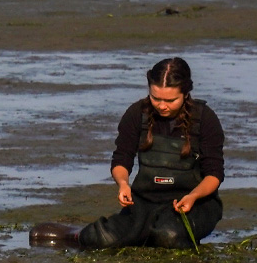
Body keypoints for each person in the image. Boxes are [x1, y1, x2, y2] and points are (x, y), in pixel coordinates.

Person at [32, 57, 224, 250]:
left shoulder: (205, 118)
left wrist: (193, 197)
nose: (162, 105)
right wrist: (123, 183)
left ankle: (159, 232)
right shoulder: (137, 113)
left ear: (185, 93)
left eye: (170, 100)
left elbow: (214, 174)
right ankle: (75, 234)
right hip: (146, 202)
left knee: (168, 235)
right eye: (155, 98)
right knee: (103, 239)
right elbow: (121, 159)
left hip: (195, 204)